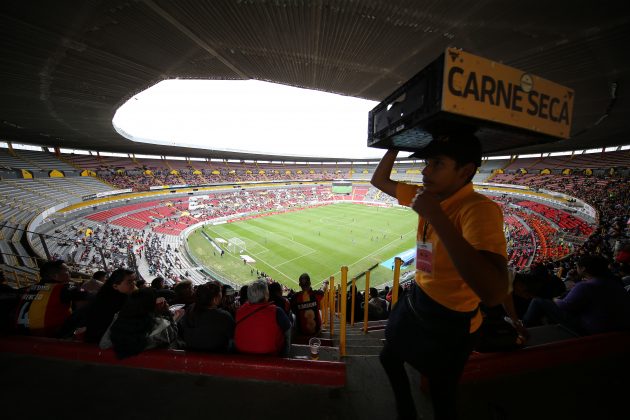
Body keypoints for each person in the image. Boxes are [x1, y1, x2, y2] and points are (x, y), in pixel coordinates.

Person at [371, 133, 508, 420]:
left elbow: (494, 292)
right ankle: (407, 413)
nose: (425, 170)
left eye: (437, 163)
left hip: (452, 318)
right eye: (426, 162)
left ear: (465, 171)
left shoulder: (479, 210)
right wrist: (395, 144)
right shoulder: (429, 196)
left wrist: (436, 216)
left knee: (442, 394)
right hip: (419, 298)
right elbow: (379, 181)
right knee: (388, 357)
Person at [523, 255, 630, 335]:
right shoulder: (615, 282)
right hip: (617, 327)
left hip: (591, 330)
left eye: (577, 266)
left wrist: (555, 300)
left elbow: (564, 306)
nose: (575, 268)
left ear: (583, 269)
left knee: (538, 301)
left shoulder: (585, 286)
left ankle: (522, 328)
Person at [99, 288, 181, 359]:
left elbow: (104, 345)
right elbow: (172, 337)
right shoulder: (163, 325)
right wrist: (169, 315)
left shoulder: (119, 317)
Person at [15, 260, 88, 337]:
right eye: (67, 271)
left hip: (19, 335)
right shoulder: (63, 288)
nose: (70, 273)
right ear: (55, 276)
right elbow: (91, 296)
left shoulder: (26, 289)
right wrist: (82, 287)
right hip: (49, 338)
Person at [234, 280, 291, 356]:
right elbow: (288, 331)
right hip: (271, 357)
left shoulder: (239, 311)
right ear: (266, 295)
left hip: (243, 356)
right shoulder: (276, 311)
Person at [178, 282, 235, 353]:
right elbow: (234, 337)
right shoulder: (224, 316)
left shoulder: (190, 309)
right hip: (217, 356)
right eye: (220, 294)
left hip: (191, 353)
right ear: (215, 299)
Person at [84, 268, 137, 343]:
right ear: (115, 286)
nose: (134, 284)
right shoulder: (108, 302)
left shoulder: (124, 296)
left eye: (134, 280)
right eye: (129, 282)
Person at [290, 273, 324, 337]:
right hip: (316, 332)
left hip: (301, 332)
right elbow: (322, 292)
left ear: (300, 284)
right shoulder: (318, 295)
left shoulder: (294, 298)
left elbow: (294, 311)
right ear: (310, 283)